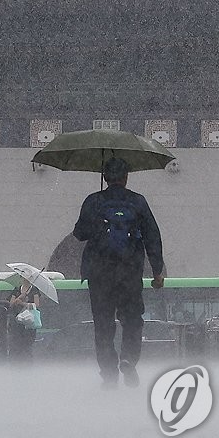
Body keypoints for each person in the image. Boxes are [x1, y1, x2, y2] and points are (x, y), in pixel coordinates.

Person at [72, 157, 165, 388]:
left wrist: (96, 219)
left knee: (103, 324)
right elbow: (153, 236)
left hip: (99, 273)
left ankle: (108, 372)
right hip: (129, 272)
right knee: (132, 320)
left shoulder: (93, 201)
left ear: (104, 177)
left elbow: (79, 234)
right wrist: (157, 271)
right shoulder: (138, 202)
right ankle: (128, 360)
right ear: (126, 177)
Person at [7, 280, 41, 362]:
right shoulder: (16, 290)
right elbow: (11, 304)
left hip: (29, 323)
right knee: (16, 344)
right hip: (17, 322)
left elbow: (36, 305)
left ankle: (27, 362)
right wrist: (20, 296)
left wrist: (23, 303)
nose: (26, 279)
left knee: (27, 345)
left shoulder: (34, 290)